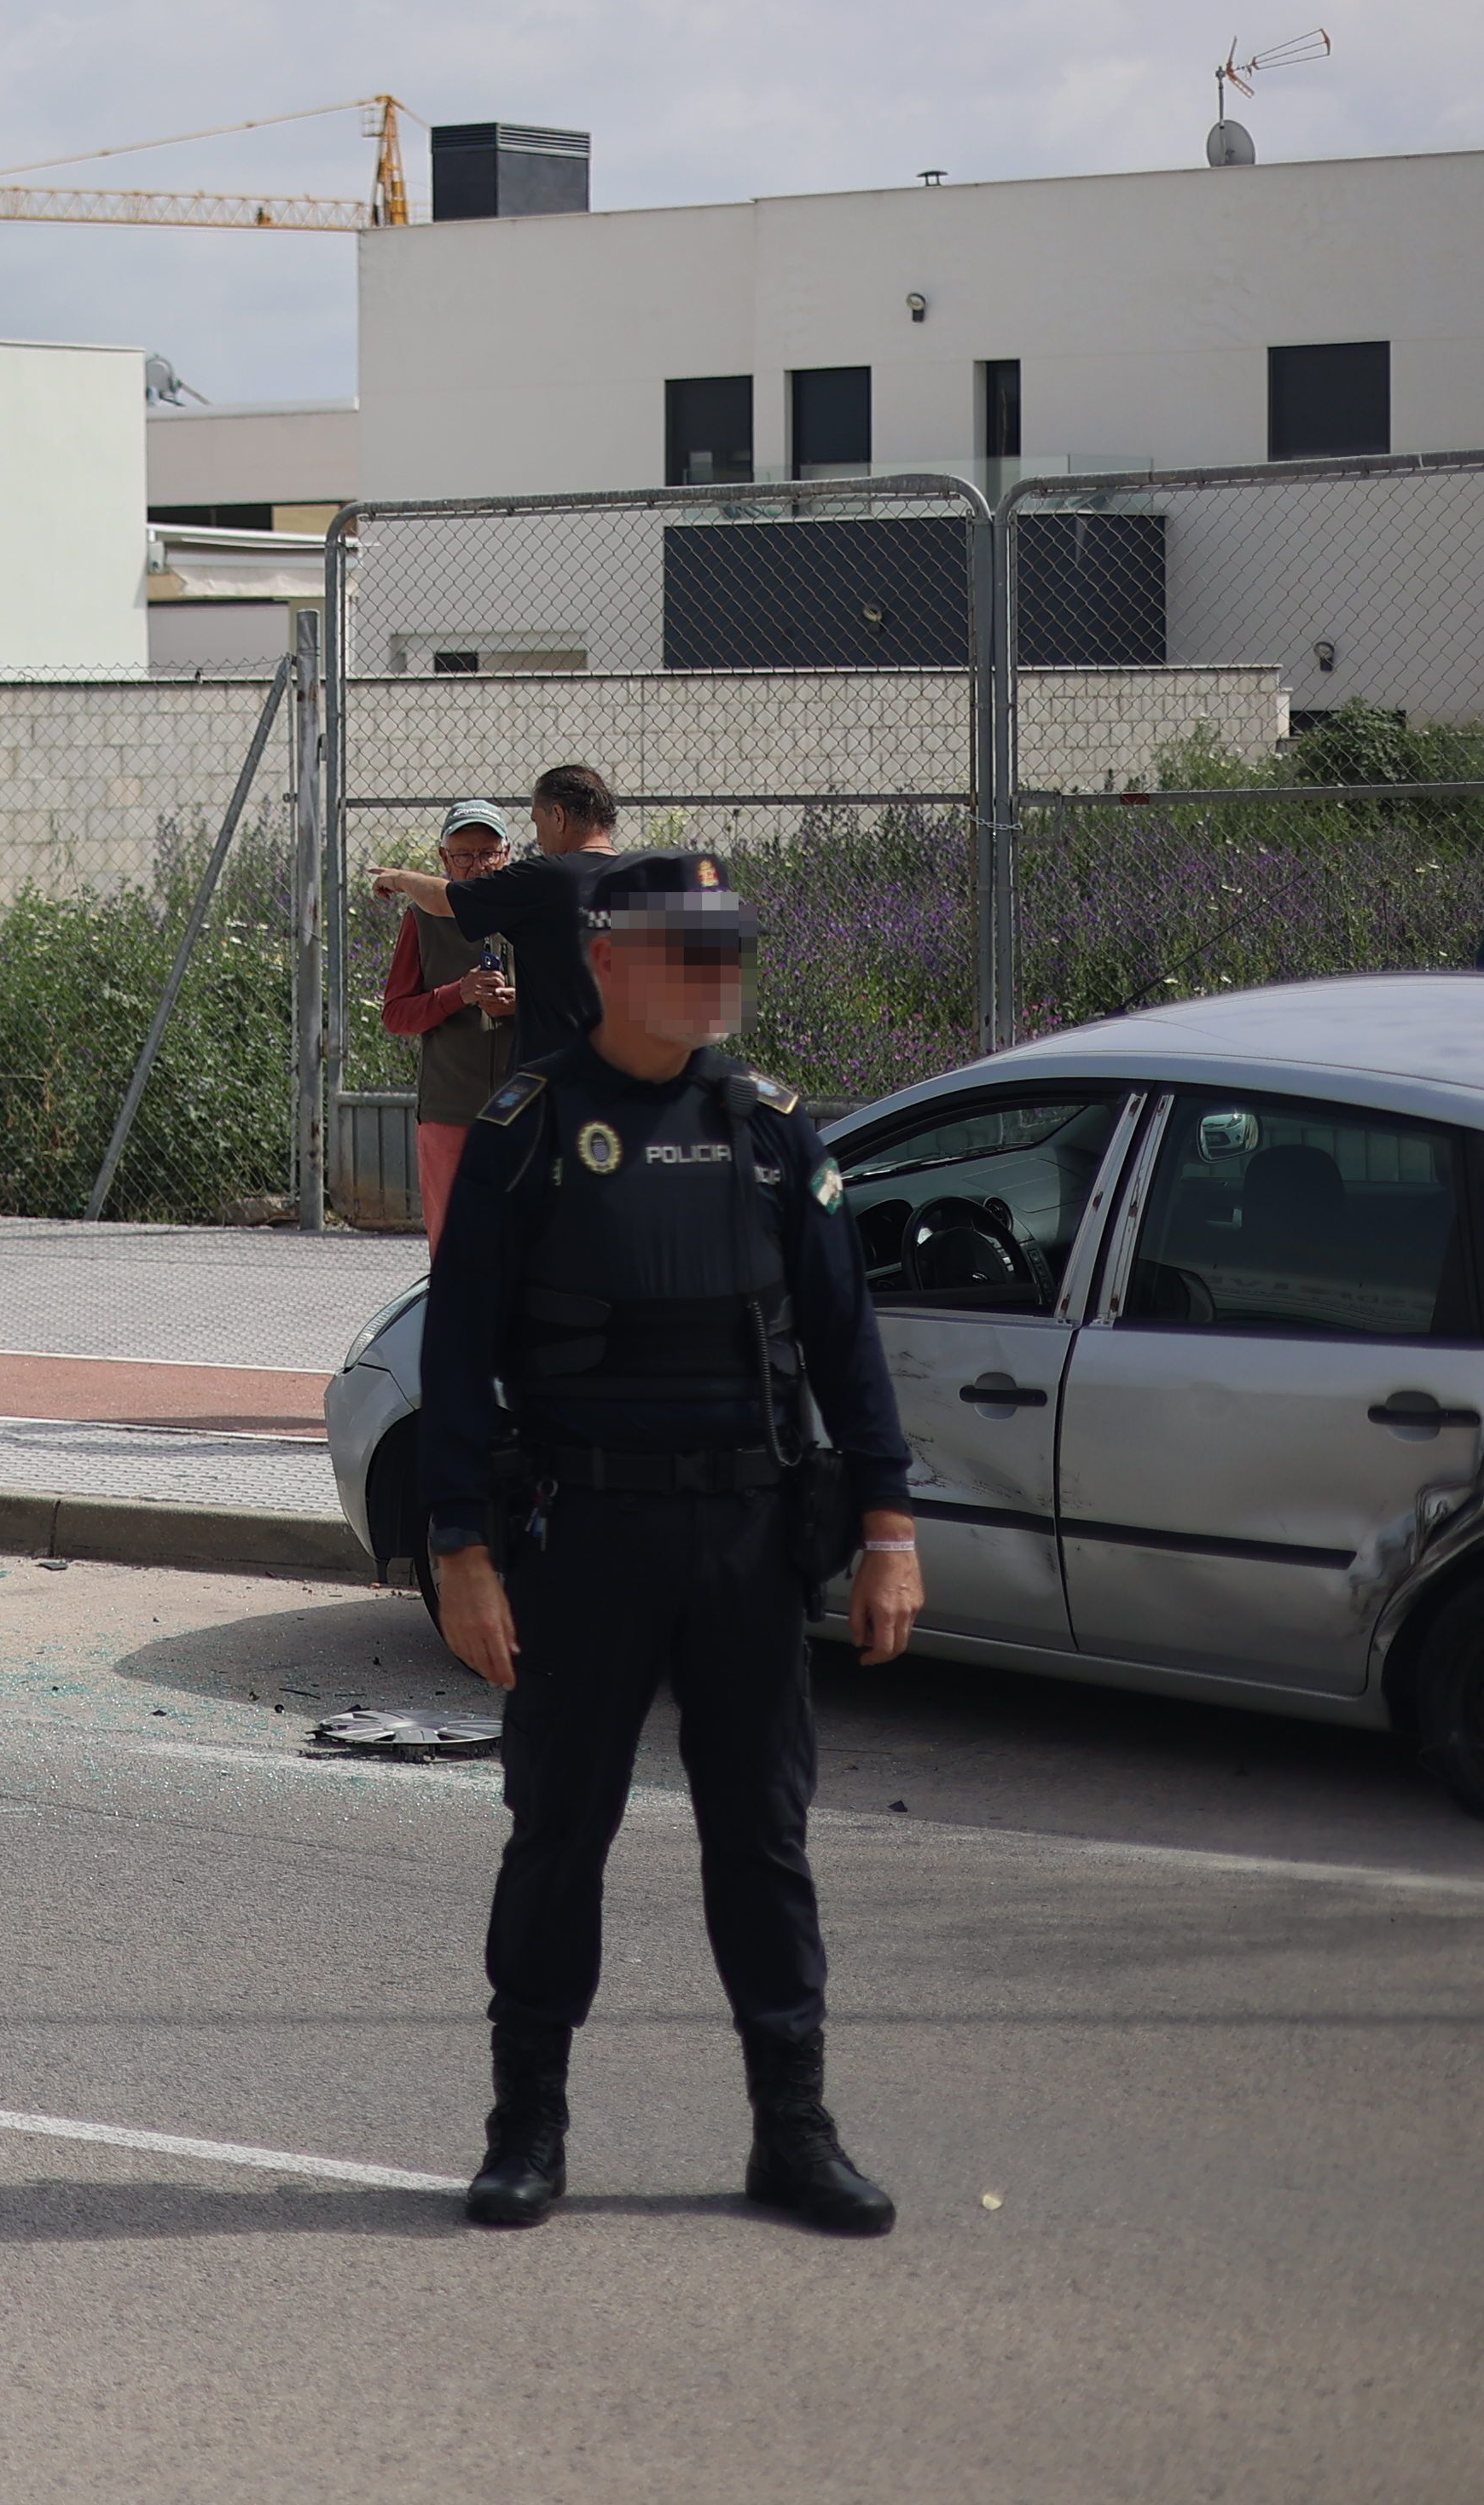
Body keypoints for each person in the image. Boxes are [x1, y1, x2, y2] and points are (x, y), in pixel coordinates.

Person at [416, 851, 924, 2239]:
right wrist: (457, 1543)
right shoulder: (531, 1120)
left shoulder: (768, 1127)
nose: (712, 977)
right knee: (556, 1837)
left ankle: (793, 2131)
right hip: (583, 1539)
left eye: (724, 951)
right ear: (614, 959)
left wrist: (885, 1520)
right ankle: (524, 2129)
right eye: (683, 950)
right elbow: (456, 1345)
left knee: (759, 1842)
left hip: (750, 1543)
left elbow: (843, 1337)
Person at [374, 762, 621, 1070]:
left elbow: (443, 898)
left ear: (557, 816)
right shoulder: (649, 881)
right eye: (463, 855)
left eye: (537, 822)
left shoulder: (545, 881)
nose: (539, 840)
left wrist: (398, 879)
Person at [378, 797, 525, 1247]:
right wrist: (456, 995)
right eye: (463, 855)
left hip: (526, 1108)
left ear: (508, 853)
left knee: (527, 1252)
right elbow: (396, 1015)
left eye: (487, 853)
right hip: (449, 1112)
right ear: (443, 858)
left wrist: (521, 1004)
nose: (476, 866)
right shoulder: (422, 919)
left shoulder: (533, 913)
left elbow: (577, 998)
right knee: (454, 1253)